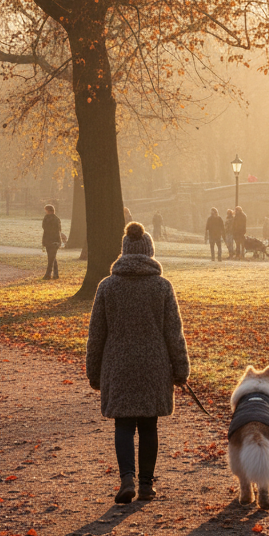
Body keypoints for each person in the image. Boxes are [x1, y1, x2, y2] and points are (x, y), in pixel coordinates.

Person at [86, 222, 189, 504]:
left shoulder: (107, 287)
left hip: (118, 365)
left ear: (124, 252)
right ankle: (146, 484)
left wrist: (93, 372)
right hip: (154, 366)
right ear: (150, 252)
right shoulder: (162, 287)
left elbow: (96, 335)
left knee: (123, 424)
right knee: (148, 426)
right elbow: (174, 332)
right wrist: (181, 369)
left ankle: (126, 479)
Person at [42, 204, 63, 280]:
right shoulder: (57, 219)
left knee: (50, 258)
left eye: (46, 210)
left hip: (48, 240)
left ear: (48, 210)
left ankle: (48, 275)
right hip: (56, 240)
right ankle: (56, 274)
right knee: (52, 257)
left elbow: (44, 227)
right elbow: (59, 230)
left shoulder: (47, 218)